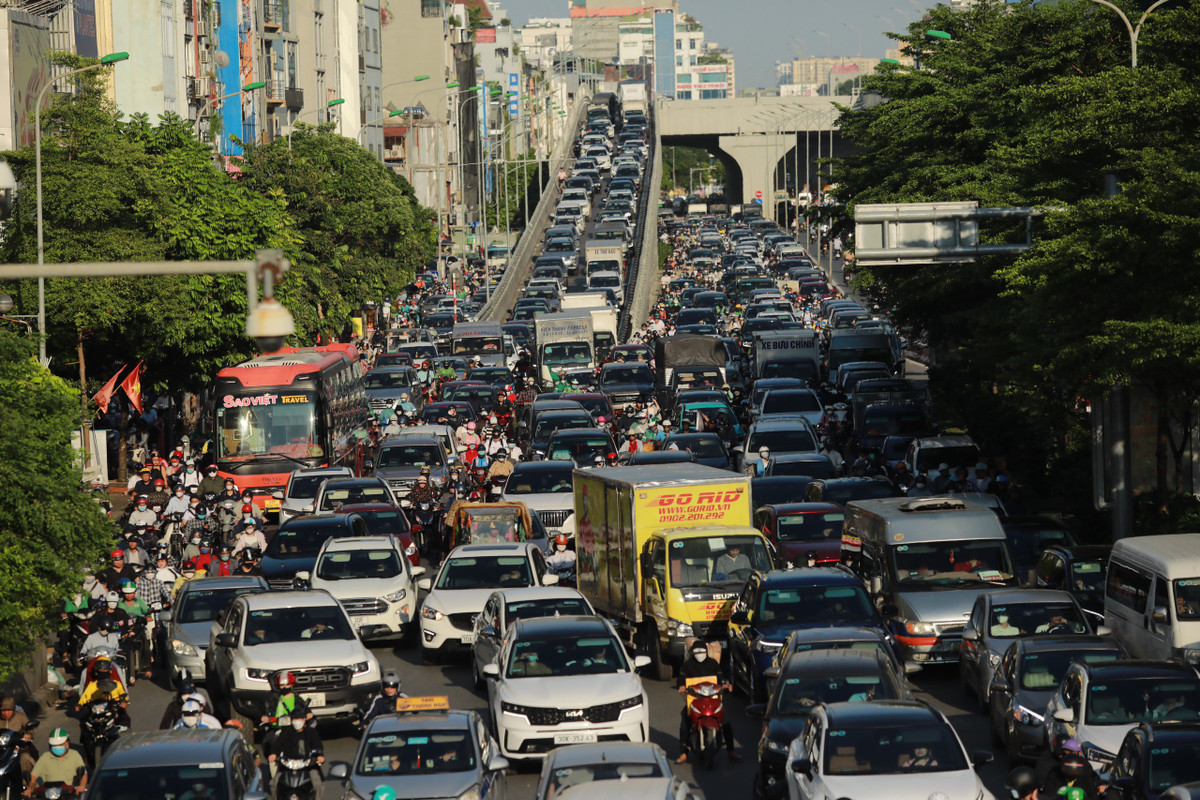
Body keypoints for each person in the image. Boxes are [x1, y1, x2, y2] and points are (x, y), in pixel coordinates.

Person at [675, 641, 738, 764]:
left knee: (725, 722)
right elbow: (681, 678)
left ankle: (731, 751)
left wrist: (725, 684)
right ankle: (684, 753)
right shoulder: (687, 665)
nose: (699, 654)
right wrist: (682, 685)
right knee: (685, 722)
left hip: (713, 699)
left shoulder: (713, 664)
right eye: (696, 652)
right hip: (694, 699)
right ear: (692, 653)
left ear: (706, 652)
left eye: (702, 651)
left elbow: (720, 677)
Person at [25, 728, 87, 798]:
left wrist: (82, 786)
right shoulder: (45, 757)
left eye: (60, 744)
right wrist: (30, 788)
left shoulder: (75, 755)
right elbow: (33, 776)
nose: (57, 747)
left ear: (67, 743)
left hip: (69, 795)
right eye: (54, 745)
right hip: (48, 795)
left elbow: (83, 774)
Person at [1039, 739, 1105, 798]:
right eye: (1065, 752)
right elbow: (1048, 793)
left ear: (1079, 753)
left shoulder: (1086, 770)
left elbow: (1091, 791)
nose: (1069, 756)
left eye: (1072, 752)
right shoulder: (1055, 771)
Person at [0, 696, 37, 781]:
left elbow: (30, 729)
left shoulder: (20, 716)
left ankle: (26, 784)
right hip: (2, 749)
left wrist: (28, 735)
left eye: (8, 710)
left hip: (18, 748)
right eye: (3, 711)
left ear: (13, 709)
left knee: (25, 757)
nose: (6, 713)